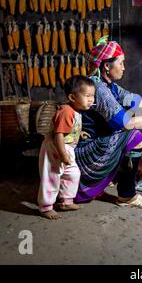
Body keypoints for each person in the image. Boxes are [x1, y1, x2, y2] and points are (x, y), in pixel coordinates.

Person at [74, 36, 142, 208]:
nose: (124, 68)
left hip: (100, 141)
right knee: (134, 137)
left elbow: (134, 100)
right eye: (120, 63)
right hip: (88, 148)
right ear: (107, 66)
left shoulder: (109, 85)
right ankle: (126, 196)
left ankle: (117, 178)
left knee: (127, 136)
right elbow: (126, 123)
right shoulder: (98, 88)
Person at [37, 75, 96, 219]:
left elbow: (68, 129)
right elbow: (58, 135)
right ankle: (45, 207)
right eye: (87, 95)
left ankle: (66, 201)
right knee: (52, 176)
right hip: (55, 148)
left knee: (73, 173)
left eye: (92, 96)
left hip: (67, 148)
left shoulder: (76, 111)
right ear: (72, 97)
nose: (91, 99)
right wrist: (63, 154)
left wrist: (78, 133)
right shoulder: (66, 111)